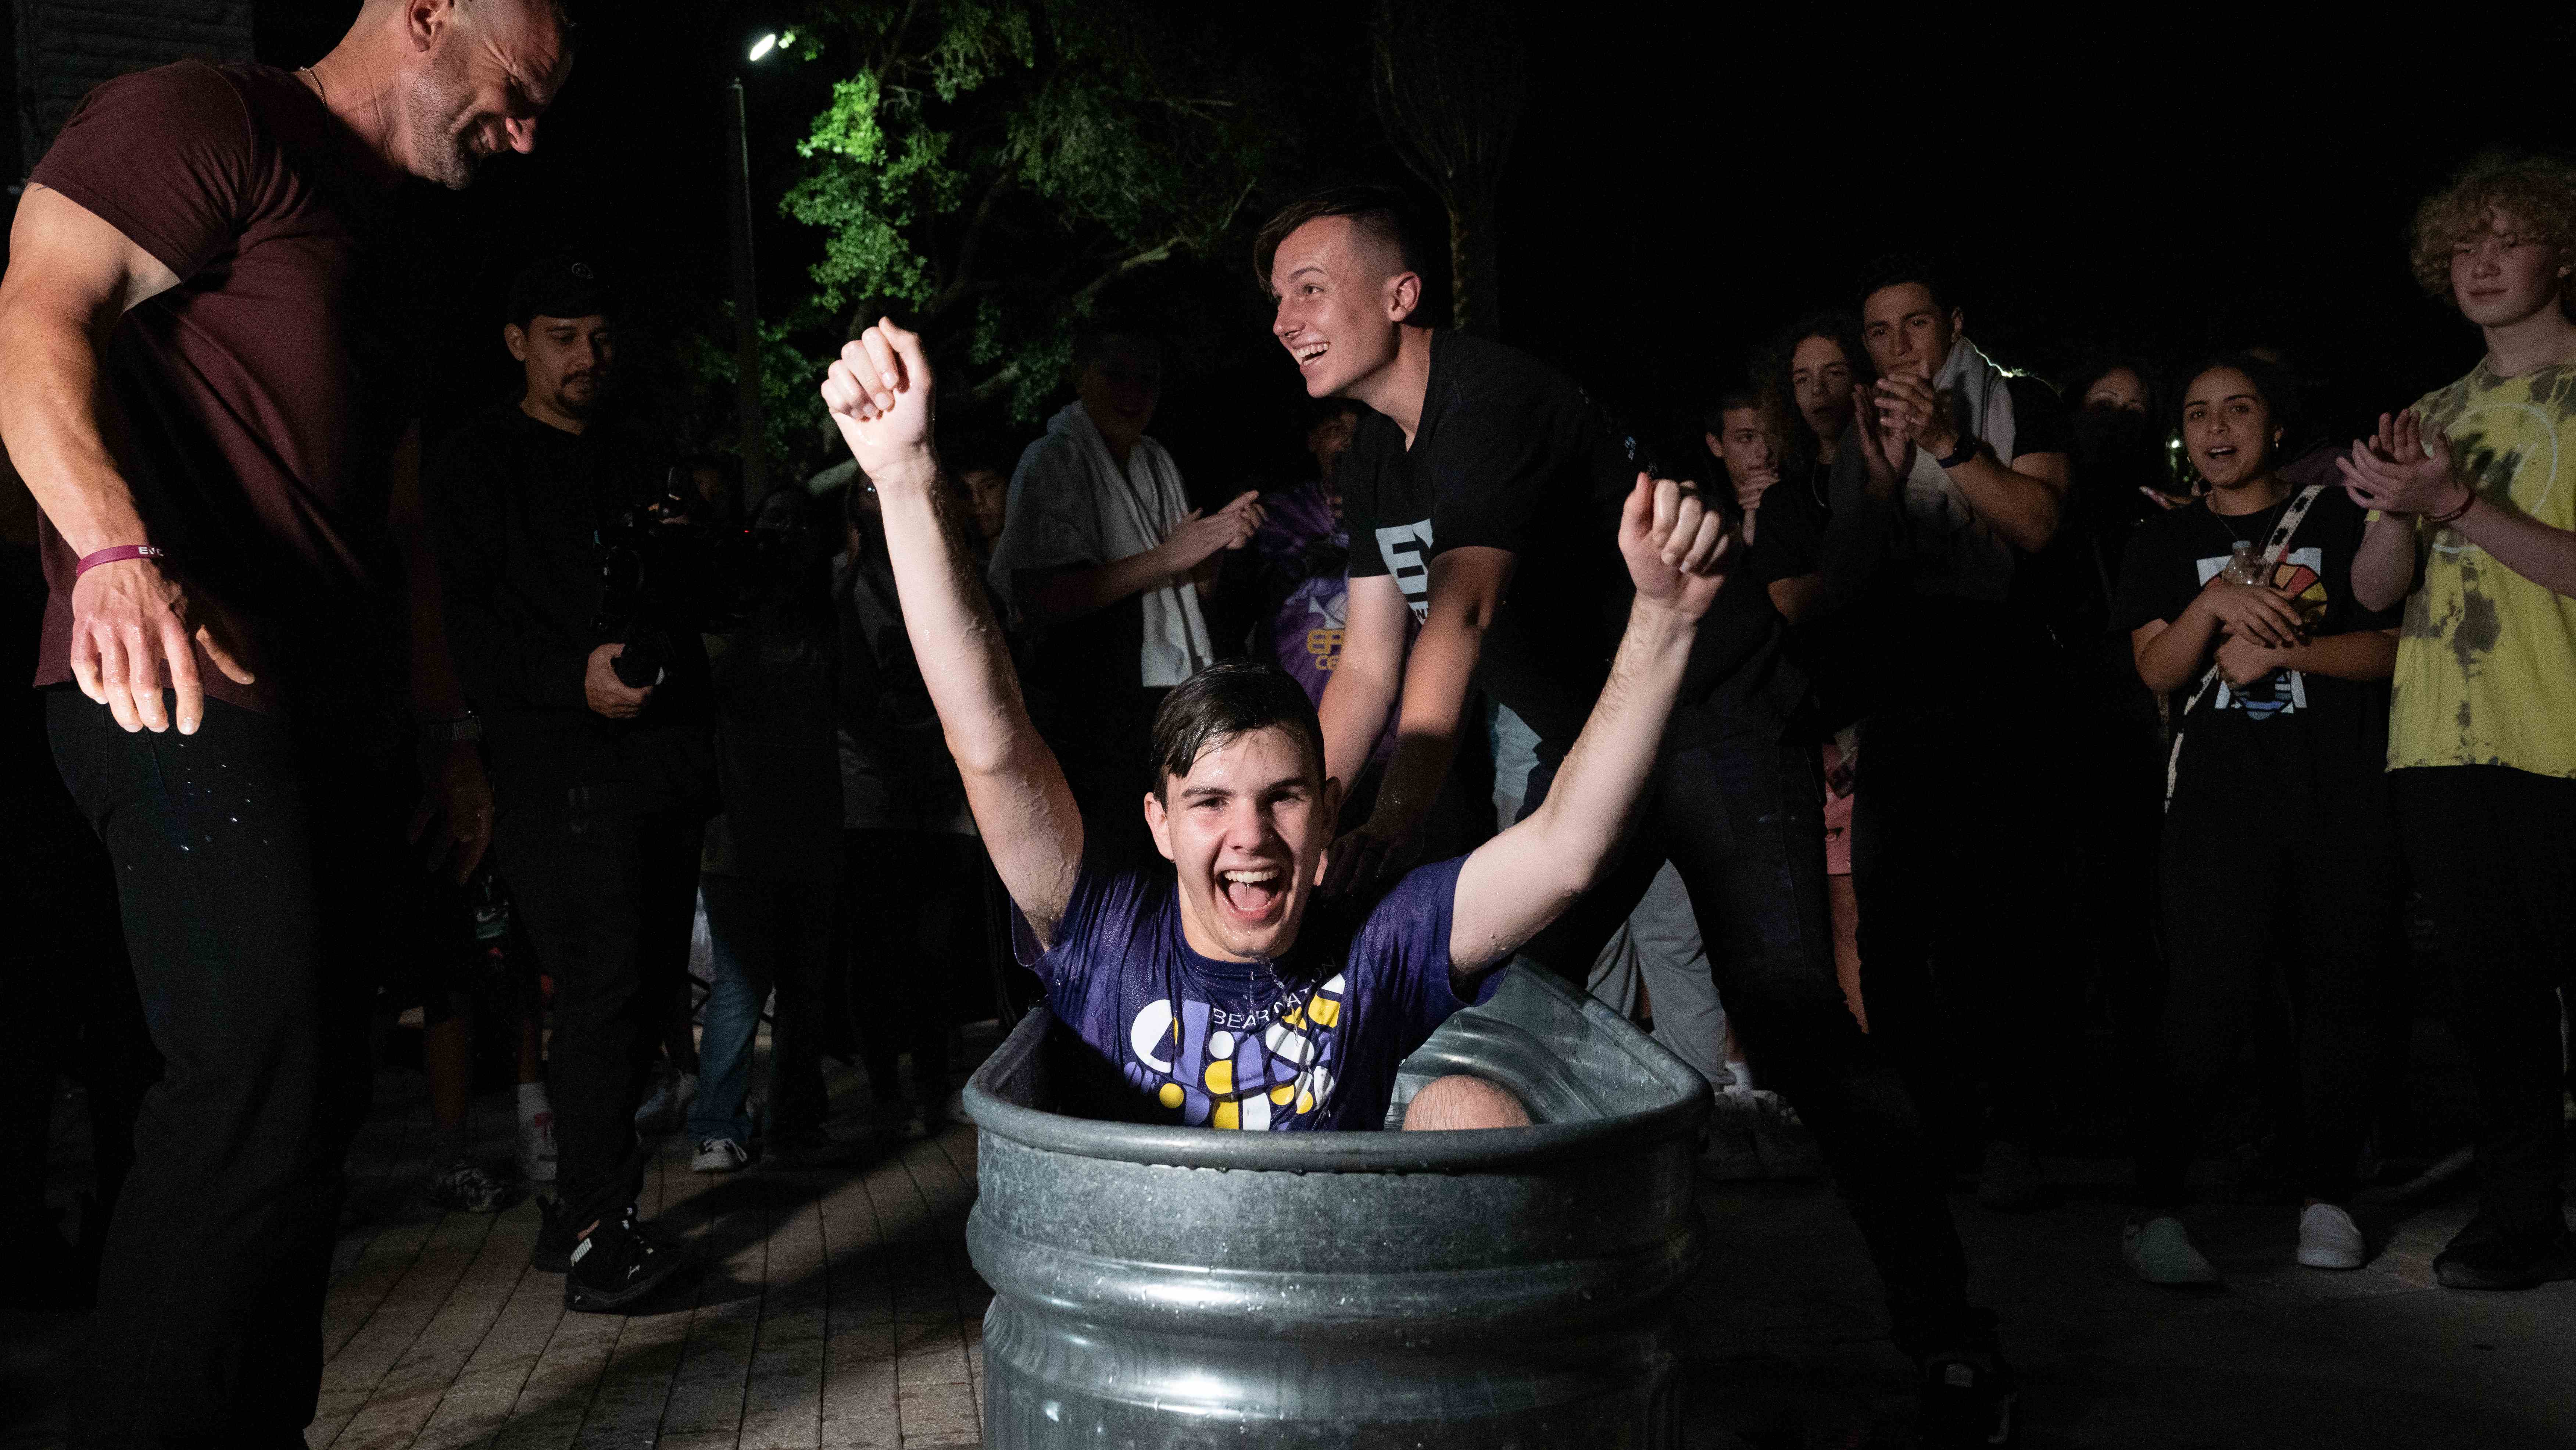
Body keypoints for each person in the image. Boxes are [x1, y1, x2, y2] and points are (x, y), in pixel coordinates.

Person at [1263, 193, 2013, 1437]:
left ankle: (1950, 1338)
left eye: (1309, 287)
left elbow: (1462, 616)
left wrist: (1390, 820)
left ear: (1400, 294)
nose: (1285, 319)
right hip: (1600, 746)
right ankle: (1497, 1314)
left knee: (1791, 1019)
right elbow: (1368, 664)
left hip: (1718, 715)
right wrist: (1292, 822)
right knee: (1496, 993)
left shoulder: (1489, 400)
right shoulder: (1379, 456)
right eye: (1275, 299)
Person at [0, 1, 572, 1438]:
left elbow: (397, 521)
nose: (527, 136)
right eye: (514, 93)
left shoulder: (392, 239)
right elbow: (35, 316)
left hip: (328, 718)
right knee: (253, 1081)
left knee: (311, 1106)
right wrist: (114, 554)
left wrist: (445, 734)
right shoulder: (208, 121)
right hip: (172, 679)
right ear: (427, 16)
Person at [817, 315, 1728, 1138]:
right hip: (1147, 1271)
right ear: (1159, 823)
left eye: (1283, 798)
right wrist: (905, 479)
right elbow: (993, 744)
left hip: (1327, 1266)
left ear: (1329, 812)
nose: (1250, 836)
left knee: (1465, 1104)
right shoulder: (1107, 938)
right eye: (1211, 802)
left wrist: (1663, 621)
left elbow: (1569, 849)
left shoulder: (1380, 947)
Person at [427, 252, 713, 1313]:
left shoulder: (637, 451)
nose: (588, 356)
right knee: (599, 990)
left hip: (660, 764)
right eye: (562, 338)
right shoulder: (478, 462)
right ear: (517, 344)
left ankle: (580, 1210)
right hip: (557, 771)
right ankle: (599, 1231)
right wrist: (568, 680)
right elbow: (466, 632)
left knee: (641, 995)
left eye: (599, 337)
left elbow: (681, 597)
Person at [2112, 356, 2403, 1283]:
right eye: (2198, 413)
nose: (2217, 428)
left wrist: (2286, 655)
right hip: (2216, 809)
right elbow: (2158, 670)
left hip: (2339, 797)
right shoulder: (2164, 540)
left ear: (2278, 427)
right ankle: (2155, 1207)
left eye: (2238, 409)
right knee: (2203, 1005)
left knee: (2341, 997)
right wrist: (2213, 602)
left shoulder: (2342, 518)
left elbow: (2397, 647)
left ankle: (2327, 1197)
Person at [2340, 153, 2576, 1291]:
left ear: (2562, 253)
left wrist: (2460, 503)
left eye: (2508, 238)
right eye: (2463, 246)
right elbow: (2375, 592)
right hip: (2439, 743)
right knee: (2493, 1002)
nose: (2482, 263)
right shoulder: (2435, 412)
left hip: (2563, 736)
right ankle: (2522, 1216)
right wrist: (2399, 511)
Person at [1838, 254, 2076, 1206]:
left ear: (1956, 324)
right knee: (1891, 928)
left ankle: (2016, 1127)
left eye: (1917, 323)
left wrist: (1949, 444)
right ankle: (1937, 1129)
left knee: (1998, 919)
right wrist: (1882, 482)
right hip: (1900, 685)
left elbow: (2038, 526)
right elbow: (1846, 581)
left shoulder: (2023, 401)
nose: (1899, 346)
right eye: (1880, 331)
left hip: (2003, 678)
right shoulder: (1865, 418)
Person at [987, 328, 1263, 853]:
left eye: (1147, 380)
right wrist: (1168, 558)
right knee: (1108, 858)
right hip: (1087, 706)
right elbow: (1038, 598)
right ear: (1081, 377)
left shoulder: (1155, 458)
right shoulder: (1053, 459)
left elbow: (1193, 596)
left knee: (1169, 854)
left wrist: (1214, 546)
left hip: (1163, 697)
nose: (1133, 393)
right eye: (1116, 375)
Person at [688, 486, 845, 1172]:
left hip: (795, 822)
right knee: (749, 983)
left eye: (795, 526)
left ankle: (780, 1118)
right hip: (746, 827)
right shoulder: (731, 608)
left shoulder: (823, 612)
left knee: (791, 984)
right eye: (772, 524)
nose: (783, 538)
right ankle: (724, 1122)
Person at [837, 469, 989, 1137]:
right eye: (865, 492)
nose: (879, 499)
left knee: (934, 949)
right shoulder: (849, 591)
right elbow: (856, 700)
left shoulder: (949, 574)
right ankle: (887, 1092)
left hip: (942, 793)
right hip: (877, 797)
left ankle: (930, 1086)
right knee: (881, 950)